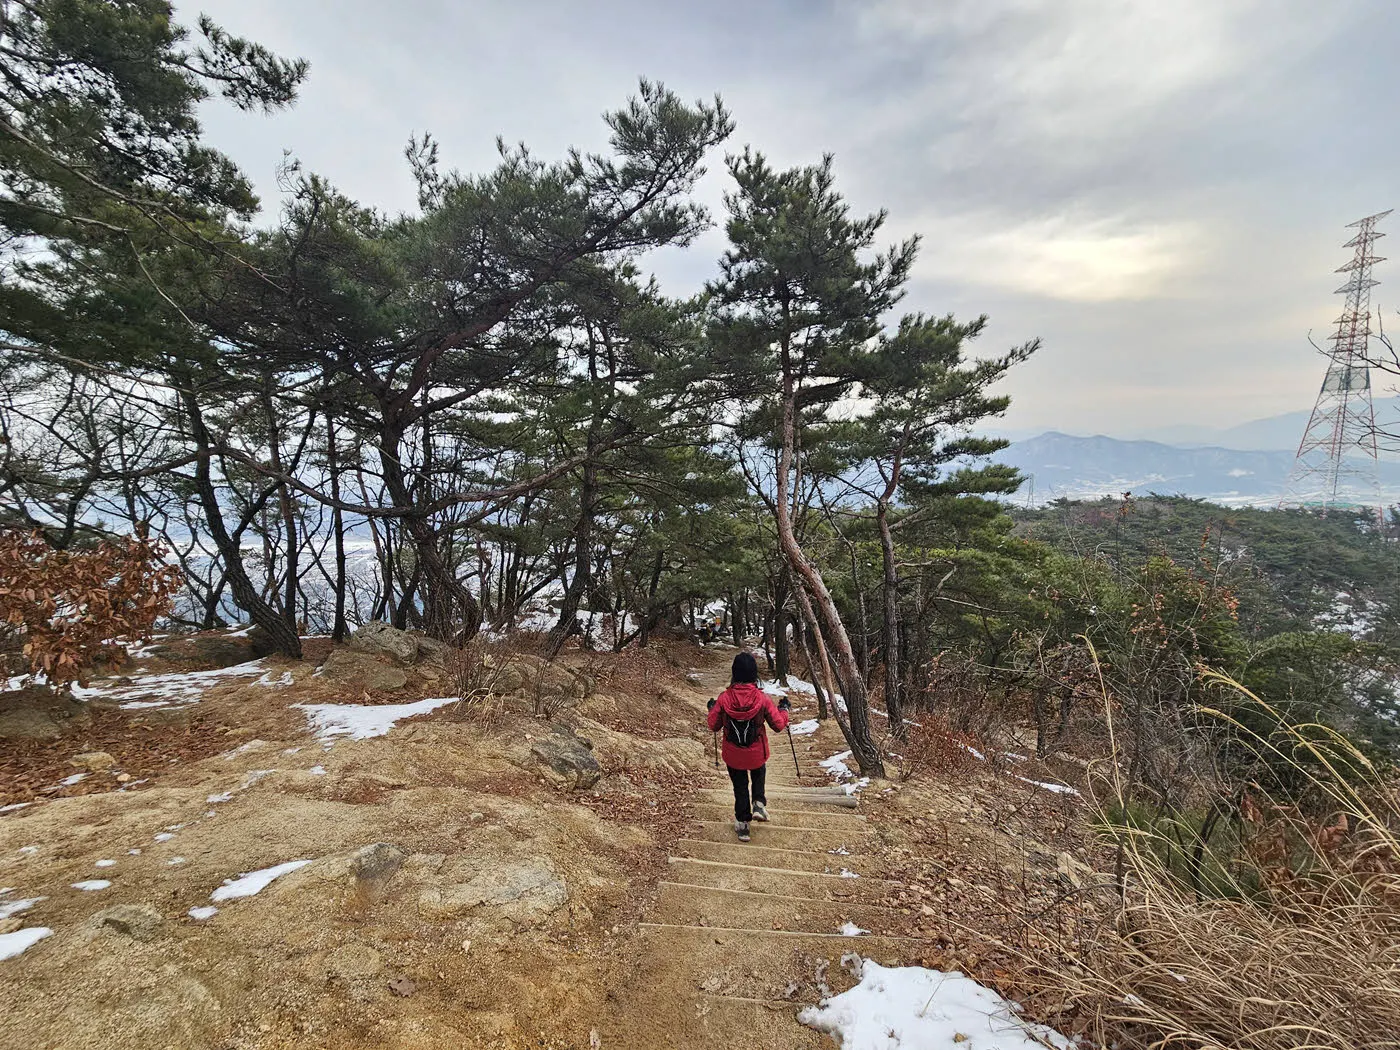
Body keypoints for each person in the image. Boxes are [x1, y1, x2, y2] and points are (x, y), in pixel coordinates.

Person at [706, 651, 790, 842]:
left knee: (740, 786)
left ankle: (743, 826)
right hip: (757, 752)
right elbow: (778, 725)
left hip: (733, 754)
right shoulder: (762, 699)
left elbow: (713, 725)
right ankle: (759, 802)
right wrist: (784, 710)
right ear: (754, 674)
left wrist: (712, 708)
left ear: (734, 673)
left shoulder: (724, 698)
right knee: (759, 772)